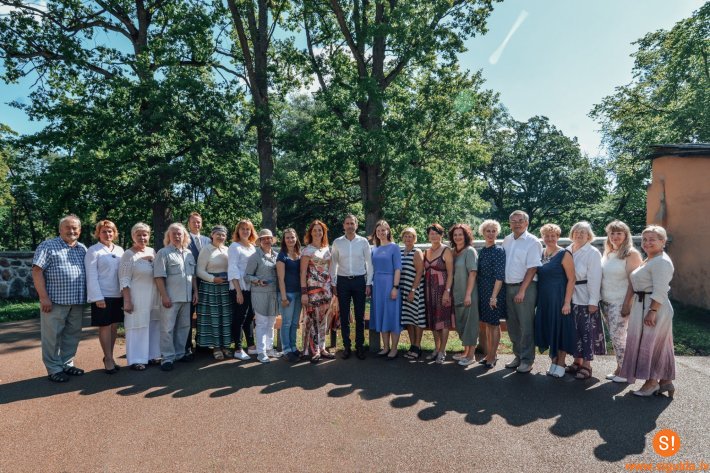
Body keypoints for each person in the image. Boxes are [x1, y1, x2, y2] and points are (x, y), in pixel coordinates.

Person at [619, 226, 676, 398]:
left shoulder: (661, 262)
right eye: (644, 239)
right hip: (643, 305)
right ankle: (665, 381)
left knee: (650, 344)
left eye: (652, 239)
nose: (647, 242)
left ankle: (651, 383)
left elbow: (660, 289)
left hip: (653, 307)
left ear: (663, 241)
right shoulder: (651, 259)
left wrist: (652, 311)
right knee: (657, 344)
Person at [32, 214, 88, 383]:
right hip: (55, 301)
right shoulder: (48, 246)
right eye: (67, 227)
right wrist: (43, 297)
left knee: (72, 335)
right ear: (60, 229)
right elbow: (37, 271)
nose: (71, 231)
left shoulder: (82, 249)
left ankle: (67, 363)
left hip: (77, 301)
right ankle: (54, 369)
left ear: (79, 230)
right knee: (52, 337)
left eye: (75, 228)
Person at [600, 220, 642, 383]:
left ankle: (626, 372)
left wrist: (627, 304)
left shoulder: (631, 254)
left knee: (620, 338)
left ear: (626, 235)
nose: (615, 236)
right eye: (612, 233)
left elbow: (634, 282)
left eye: (619, 233)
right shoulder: (609, 253)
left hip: (621, 302)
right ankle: (619, 368)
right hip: (606, 302)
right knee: (615, 337)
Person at [154, 223, 198, 371]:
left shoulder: (189, 254)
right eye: (174, 233)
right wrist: (164, 296)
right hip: (171, 298)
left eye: (180, 233)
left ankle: (179, 354)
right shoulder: (163, 253)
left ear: (184, 236)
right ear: (169, 236)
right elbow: (159, 277)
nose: (177, 236)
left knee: (184, 327)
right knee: (167, 329)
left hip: (187, 298)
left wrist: (196, 292)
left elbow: (193, 276)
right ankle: (167, 358)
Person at [502, 210, 542, 373]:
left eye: (520, 220)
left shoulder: (532, 242)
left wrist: (522, 291)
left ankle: (527, 359)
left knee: (526, 326)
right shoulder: (507, 240)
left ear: (526, 223)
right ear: (510, 223)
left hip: (525, 288)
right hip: (508, 287)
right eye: (513, 221)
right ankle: (518, 356)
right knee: (512, 325)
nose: (517, 223)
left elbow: (533, 268)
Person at [534, 223, 576, 378]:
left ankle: (561, 362)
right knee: (549, 328)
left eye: (553, 236)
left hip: (559, 298)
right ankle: (553, 361)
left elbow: (572, 279)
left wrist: (567, 302)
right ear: (542, 237)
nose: (550, 238)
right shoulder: (541, 253)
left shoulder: (564, 254)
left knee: (560, 329)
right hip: (544, 299)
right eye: (546, 236)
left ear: (558, 237)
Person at [330, 214, 372, 360]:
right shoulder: (337, 242)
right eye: (347, 223)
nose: (349, 226)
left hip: (359, 281)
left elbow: (369, 263)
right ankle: (346, 346)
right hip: (343, 282)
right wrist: (333, 283)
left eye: (352, 223)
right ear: (344, 225)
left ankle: (359, 346)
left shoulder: (363, 242)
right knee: (344, 315)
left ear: (356, 225)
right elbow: (333, 264)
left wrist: (369, 283)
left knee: (360, 316)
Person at [85, 219, 125, 374]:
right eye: (104, 231)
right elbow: (91, 275)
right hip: (102, 295)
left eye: (110, 231)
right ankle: (107, 358)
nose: (107, 234)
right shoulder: (93, 250)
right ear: (98, 233)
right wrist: (97, 297)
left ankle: (111, 356)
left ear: (114, 233)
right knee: (105, 326)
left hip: (118, 294)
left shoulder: (120, 250)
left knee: (114, 326)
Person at [566, 221, 605, 380]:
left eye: (583, 232)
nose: (579, 234)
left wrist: (593, 301)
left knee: (586, 332)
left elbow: (595, 278)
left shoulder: (592, 252)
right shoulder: (568, 250)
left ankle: (587, 366)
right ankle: (577, 361)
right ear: (572, 234)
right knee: (574, 331)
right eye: (577, 232)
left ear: (589, 235)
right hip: (570, 296)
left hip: (585, 297)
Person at [120, 222, 161, 371]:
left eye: (145, 234)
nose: (142, 237)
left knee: (153, 324)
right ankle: (136, 359)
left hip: (153, 295)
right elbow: (124, 279)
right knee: (137, 326)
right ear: (133, 236)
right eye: (139, 235)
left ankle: (152, 355)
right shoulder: (128, 254)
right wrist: (127, 300)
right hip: (137, 296)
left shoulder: (152, 251)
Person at [196, 225, 233, 360]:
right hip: (210, 287)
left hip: (225, 287)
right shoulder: (206, 249)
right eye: (218, 234)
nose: (221, 237)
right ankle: (216, 347)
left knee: (225, 318)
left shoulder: (227, 249)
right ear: (212, 235)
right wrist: (213, 279)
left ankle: (225, 346)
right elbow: (199, 271)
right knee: (214, 318)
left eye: (223, 235)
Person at [300, 220, 335, 363]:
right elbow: (303, 272)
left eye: (320, 230)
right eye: (314, 230)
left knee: (324, 319)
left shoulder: (327, 249)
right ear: (310, 232)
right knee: (313, 319)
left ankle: (323, 347)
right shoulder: (307, 250)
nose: (317, 232)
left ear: (323, 232)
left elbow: (330, 270)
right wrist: (304, 292)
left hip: (326, 289)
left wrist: (333, 286)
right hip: (312, 290)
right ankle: (314, 350)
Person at [244, 229, 281, 363]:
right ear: (259, 241)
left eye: (268, 238)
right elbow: (247, 276)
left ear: (272, 240)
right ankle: (261, 352)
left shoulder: (276, 255)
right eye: (263, 238)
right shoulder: (255, 256)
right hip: (259, 293)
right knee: (261, 323)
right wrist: (258, 281)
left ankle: (269, 349)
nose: (266, 241)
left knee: (271, 323)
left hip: (273, 294)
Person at [369, 220, 402, 359]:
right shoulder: (374, 248)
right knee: (381, 314)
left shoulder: (394, 247)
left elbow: (398, 269)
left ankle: (394, 348)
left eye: (383, 230)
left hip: (390, 284)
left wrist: (395, 287)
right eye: (378, 231)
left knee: (392, 316)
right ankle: (386, 347)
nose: (381, 233)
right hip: (377, 285)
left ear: (388, 231)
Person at [449, 223, 480, 366]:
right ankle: (466, 352)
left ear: (466, 236)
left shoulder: (470, 251)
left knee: (470, 324)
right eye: (455, 235)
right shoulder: (453, 252)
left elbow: (473, 274)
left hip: (469, 293)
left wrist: (468, 294)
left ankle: (471, 356)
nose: (457, 237)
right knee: (461, 323)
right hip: (457, 293)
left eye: (460, 234)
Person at [477, 220, 506, 369]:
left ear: (497, 233)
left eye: (493, 231)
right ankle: (489, 354)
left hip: (494, 291)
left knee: (494, 324)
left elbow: (500, 276)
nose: (490, 234)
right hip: (483, 291)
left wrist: (494, 296)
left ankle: (493, 356)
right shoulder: (483, 250)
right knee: (488, 324)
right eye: (488, 231)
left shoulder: (498, 250)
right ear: (483, 233)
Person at [423, 223, 454, 364]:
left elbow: (451, 273)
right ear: (428, 235)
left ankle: (442, 350)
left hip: (442, 290)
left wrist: (447, 292)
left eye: (436, 233)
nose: (434, 236)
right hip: (429, 290)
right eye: (431, 233)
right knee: (433, 320)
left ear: (441, 235)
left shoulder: (446, 250)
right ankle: (436, 348)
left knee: (443, 321)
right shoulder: (426, 251)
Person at [228, 219, 258, 360]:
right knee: (239, 317)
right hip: (239, 287)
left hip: (251, 287)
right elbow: (232, 268)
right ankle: (238, 348)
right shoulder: (234, 246)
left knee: (250, 316)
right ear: (238, 231)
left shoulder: (252, 247)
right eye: (242, 229)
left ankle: (251, 346)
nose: (245, 231)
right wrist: (238, 291)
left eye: (248, 229)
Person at [186, 212, 212, 356]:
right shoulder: (184, 239)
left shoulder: (207, 240)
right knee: (188, 314)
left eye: (199, 222)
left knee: (204, 313)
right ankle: (188, 346)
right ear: (189, 224)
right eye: (194, 222)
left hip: (206, 281)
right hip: (189, 282)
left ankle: (202, 343)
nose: (197, 224)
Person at [276, 228, 302, 362]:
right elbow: (280, 279)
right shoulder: (282, 256)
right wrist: (284, 297)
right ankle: (286, 350)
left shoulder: (299, 254)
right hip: (287, 294)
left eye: (292, 237)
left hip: (299, 293)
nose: (290, 240)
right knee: (286, 323)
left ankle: (293, 347)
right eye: (287, 238)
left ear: (296, 238)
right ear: (284, 240)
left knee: (294, 323)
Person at [400, 228, 426, 360]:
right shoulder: (400, 252)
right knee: (408, 319)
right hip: (403, 290)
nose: (408, 239)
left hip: (414, 290)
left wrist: (413, 290)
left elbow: (420, 272)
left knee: (417, 318)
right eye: (405, 236)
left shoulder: (417, 252)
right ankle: (412, 345)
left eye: (410, 236)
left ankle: (417, 346)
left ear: (414, 239)